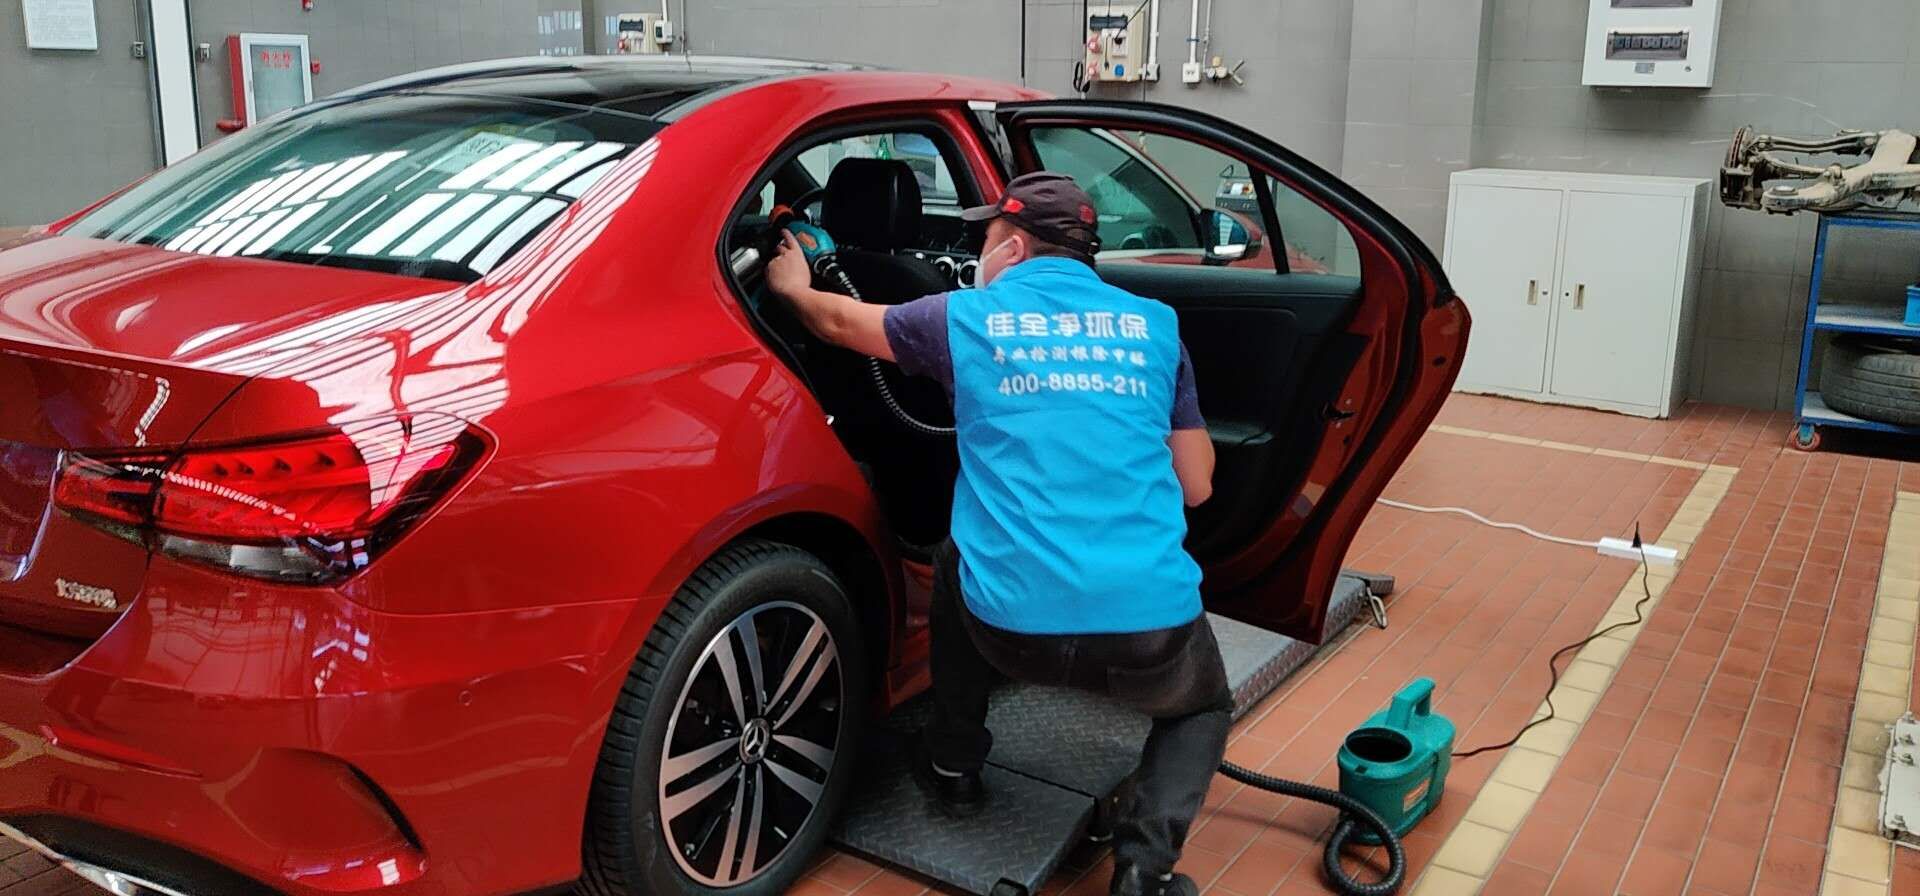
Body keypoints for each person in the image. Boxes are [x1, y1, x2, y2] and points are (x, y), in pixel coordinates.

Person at [766, 172, 1227, 896]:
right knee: (1200, 707)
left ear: (1011, 249)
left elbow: (838, 323)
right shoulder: (1157, 325)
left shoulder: (966, 316)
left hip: (1008, 630)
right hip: (1148, 628)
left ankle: (953, 762)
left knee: (959, 557)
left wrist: (793, 286)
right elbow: (1196, 485)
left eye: (984, 239)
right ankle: (1143, 868)